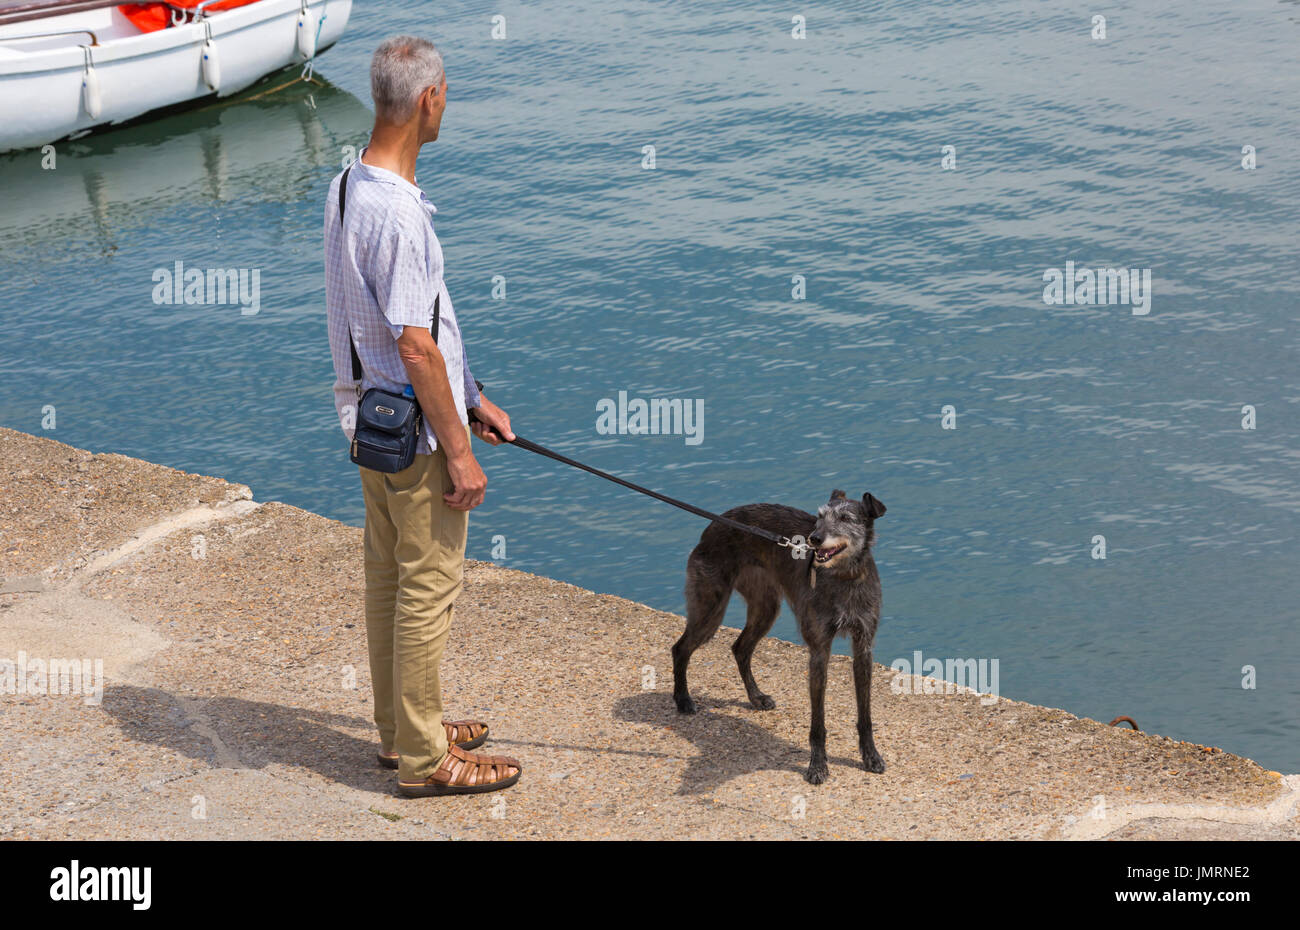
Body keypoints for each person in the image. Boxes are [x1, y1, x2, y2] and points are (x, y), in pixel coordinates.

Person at [324, 35, 521, 797]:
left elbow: (414, 328)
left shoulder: (347, 184)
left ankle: (401, 731)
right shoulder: (402, 219)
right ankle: (425, 760)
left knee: (387, 580)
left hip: (368, 423)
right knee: (428, 589)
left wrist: (471, 395)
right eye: (448, 95)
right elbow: (414, 345)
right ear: (429, 100)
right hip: (414, 436)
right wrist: (460, 448)